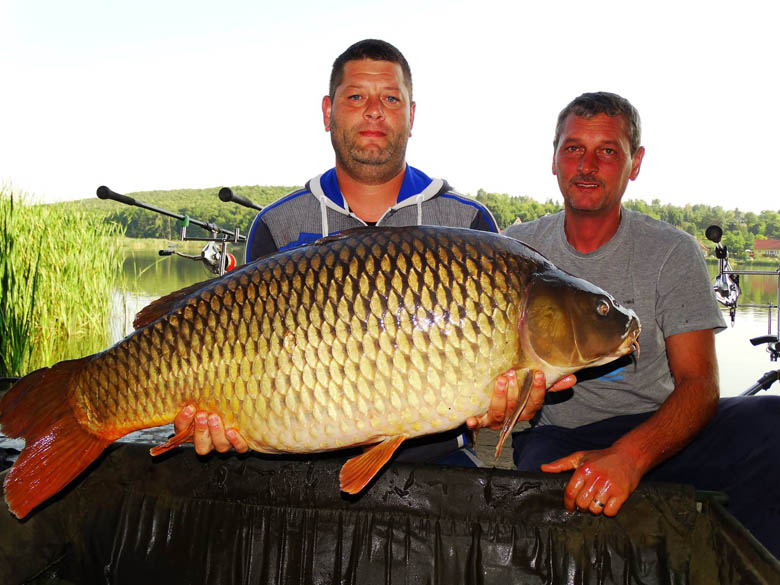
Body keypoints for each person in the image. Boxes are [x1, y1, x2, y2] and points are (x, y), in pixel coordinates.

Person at [173, 39, 574, 467]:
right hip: (302, 460)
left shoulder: (469, 225)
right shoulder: (276, 225)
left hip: (439, 464)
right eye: (357, 97)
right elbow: (236, 357)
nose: (374, 111)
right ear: (327, 112)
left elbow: (489, 402)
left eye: (390, 98)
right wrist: (221, 423)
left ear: (411, 115)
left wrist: (507, 408)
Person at [505, 91, 780, 558]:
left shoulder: (672, 252)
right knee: (538, 490)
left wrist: (630, 457)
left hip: (659, 427)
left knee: (773, 425)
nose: (587, 165)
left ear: (635, 163)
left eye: (607, 151)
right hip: (562, 435)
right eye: (573, 148)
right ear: (553, 159)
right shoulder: (515, 249)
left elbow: (699, 386)